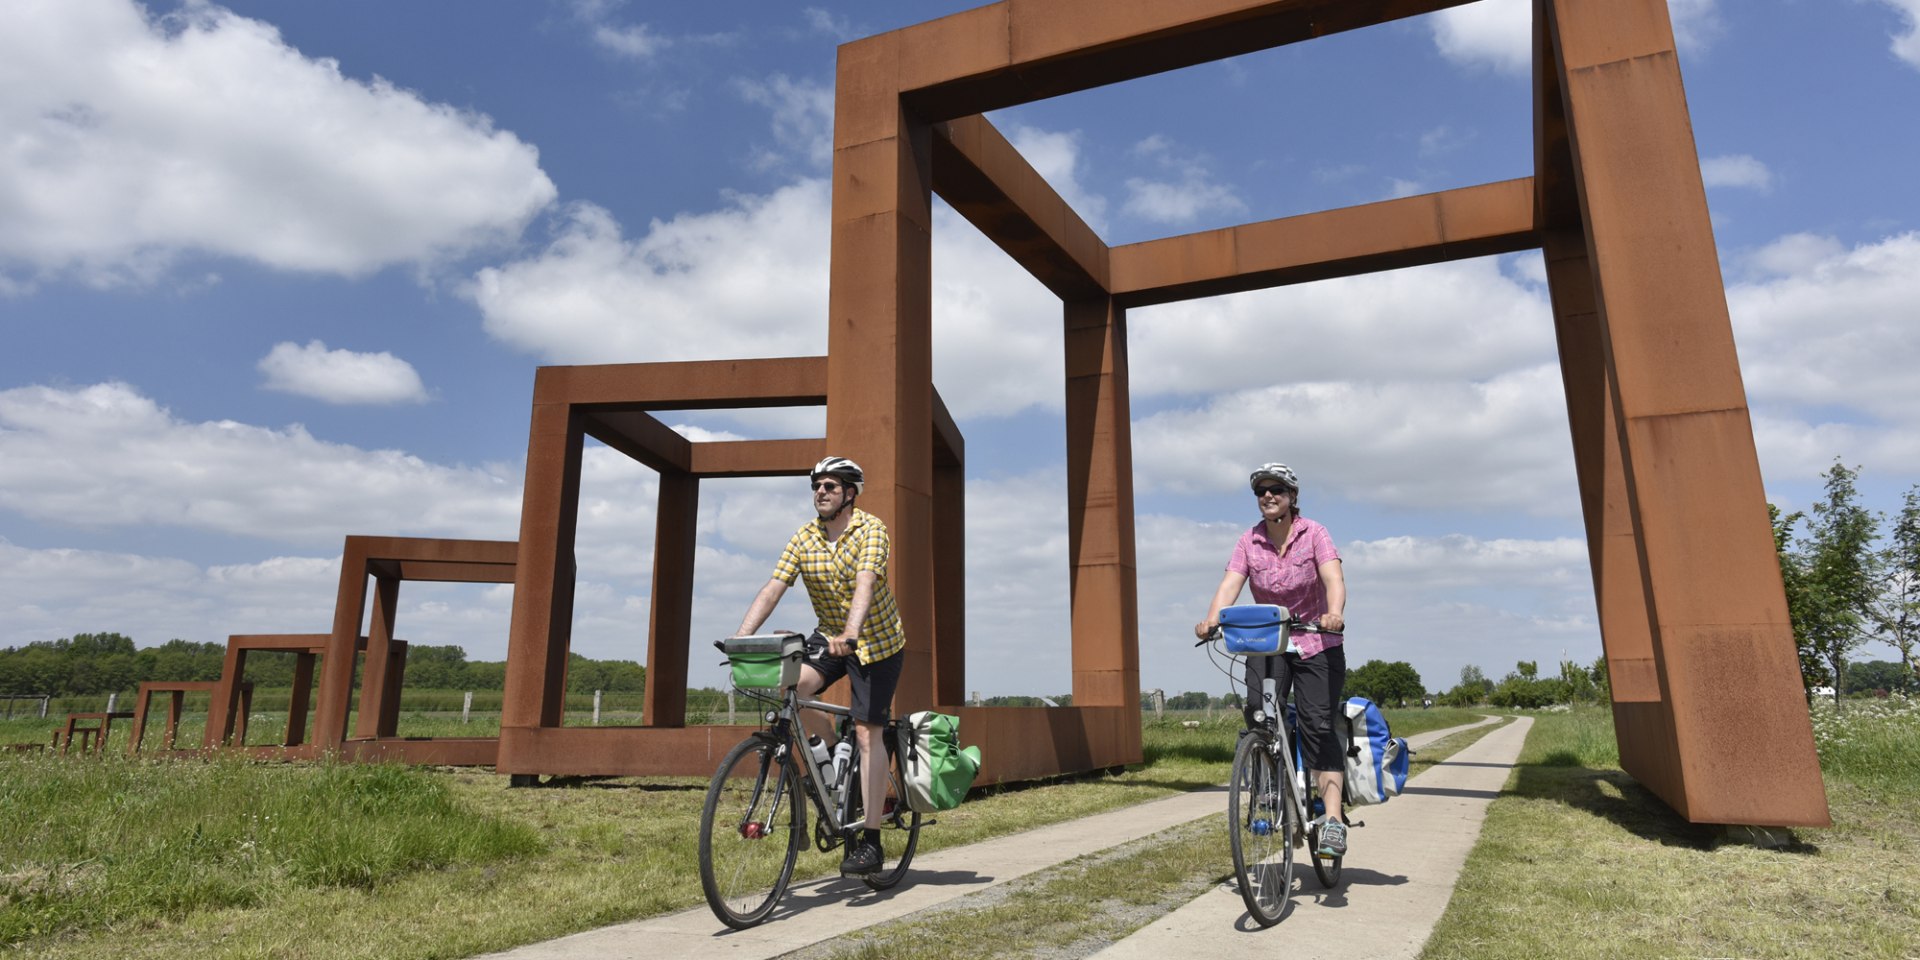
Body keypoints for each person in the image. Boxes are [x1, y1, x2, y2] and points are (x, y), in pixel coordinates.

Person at [733, 456, 906, 876]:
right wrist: (742, 637)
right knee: (792, 686)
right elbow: (775, 586)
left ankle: (871, 842)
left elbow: (866, 582)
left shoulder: (871, 530)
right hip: (830, 636)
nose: (821, 492)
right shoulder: (804, 537)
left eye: (830, 486)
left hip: (877, 643)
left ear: (849, 493)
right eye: (817, 486)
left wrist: (851, 634)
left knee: (868, 732)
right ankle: (830, 751)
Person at [1194, 462, 1350, 857]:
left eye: (1276, 489)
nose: (1268, 496)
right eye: (1261, 491)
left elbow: (1333, 578)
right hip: (1267, 644)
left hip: (1317, 643)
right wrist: (1212, 620)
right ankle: (1271, 796)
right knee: (1258, 715)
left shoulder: (1314, 533)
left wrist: (1333, 613)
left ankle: (1331, 820)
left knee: (1317, 725)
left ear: (1292, 496)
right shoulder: (1249, 541)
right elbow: (1230, 583)